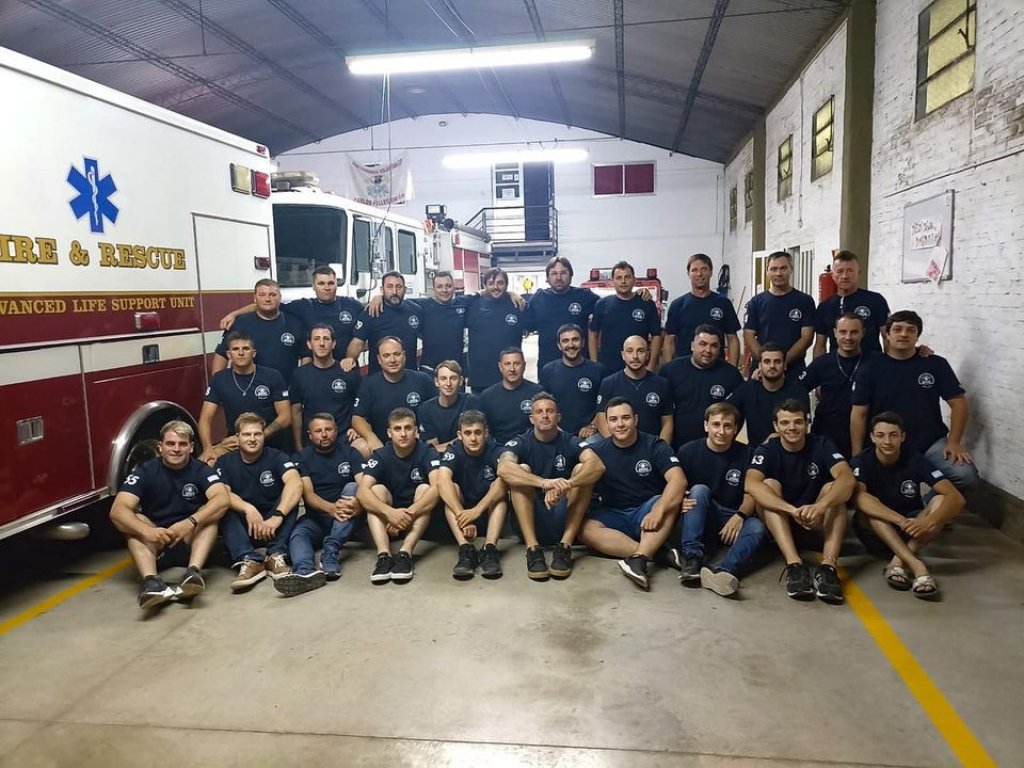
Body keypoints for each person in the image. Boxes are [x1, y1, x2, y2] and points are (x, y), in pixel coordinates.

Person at [850, 310, 978, 490]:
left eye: (911, 330)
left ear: (918, 336)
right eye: (898, 329)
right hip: (887, 444)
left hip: (930, 442)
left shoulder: (935, 364)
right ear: (887, 334)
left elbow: (959, 403)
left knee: (966, 476)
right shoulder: (870, 368)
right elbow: (859, 413)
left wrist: (954, 442)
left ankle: (927, 509)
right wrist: (857, 454)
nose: (903, 334)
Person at [109, 420, 229, 608]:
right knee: (135, 520)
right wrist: (148, 532)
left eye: (182, 444)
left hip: (190, 538)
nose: (176, 449)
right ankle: (152, 582)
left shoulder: (201, 469)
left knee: (209, 516)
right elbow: (117, 510)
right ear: (160, 446)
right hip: (156, 541)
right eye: (170, 444)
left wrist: (189, 522)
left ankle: (192, 573)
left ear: (191, 447)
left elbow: (222, 498)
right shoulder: (145, 471)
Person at [745, 399, 854, 603]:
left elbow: (847, 479)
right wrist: (790, 510)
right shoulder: (768, 450)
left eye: (797, 422)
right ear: (776, 426)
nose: (792, 427)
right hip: (782, 524)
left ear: (807, 423)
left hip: (816, 522)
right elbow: (751, 484)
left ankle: (828, 567)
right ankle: (795, 565)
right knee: (768, 485)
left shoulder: (822, 444)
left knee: (834, 490)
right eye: (785, 423)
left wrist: (821, 506)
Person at [851, 412, 965, 599]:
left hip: (912, 530)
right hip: (877, 531)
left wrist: (930, 521)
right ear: (872, 437)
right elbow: (859, 498)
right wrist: (899, 520)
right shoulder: (862, 460)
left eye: (893, 435)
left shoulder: (915, 458)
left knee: (940, 501)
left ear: (902, 436)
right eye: (880, 435)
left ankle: (897, 562)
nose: (887, 441)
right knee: (870, 507)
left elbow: (956, 497)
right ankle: (917, 566)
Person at [497, 393, 604, 580]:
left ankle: (565, 547)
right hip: (532, 516)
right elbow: (503, 468)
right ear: (532, 418)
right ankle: (533, 550)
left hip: (563, 514)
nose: (545, 415)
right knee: (520, 469)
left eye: (550, 411)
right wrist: (544, 483)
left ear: (558, 417)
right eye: (539, 412)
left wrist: (566, 485)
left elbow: (597, 466)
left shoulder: (570, 440)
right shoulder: (521, 441)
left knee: (583, 469)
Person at [582, 397, 685, 590]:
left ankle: (638, 560)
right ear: (606, 423)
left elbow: (678, 480)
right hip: (614, 512)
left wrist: (658, 511)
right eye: (613, 419)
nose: (620, 424)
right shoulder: (596, 451)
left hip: (647, 510)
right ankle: (655, 554)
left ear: (635, 419)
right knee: (585, 529)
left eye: (625, 418)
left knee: (669, 499)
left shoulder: (654, 444)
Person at [674, 403, 768, 596]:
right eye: (716, 424)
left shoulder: (748, 454)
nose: (721, 431)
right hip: (700, 513)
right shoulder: (687, 451)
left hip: (731, 515)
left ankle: (724, 572)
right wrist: (678, 502)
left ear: (735, 429)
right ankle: (691, 558)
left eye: (727, 426)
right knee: (699, 490)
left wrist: (740, 515)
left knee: (758, 527)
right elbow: (675, 486)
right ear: (706, 426)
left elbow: (753, 491)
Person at [274, 413, 366, 595]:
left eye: (328, 429)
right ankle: (305, 571)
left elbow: (364, 486)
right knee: (298, 534)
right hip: (319, 516)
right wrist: (331, 509)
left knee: (352, 487)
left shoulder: (350, 452)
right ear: (310, 435)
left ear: (336, 431)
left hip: (348, 517)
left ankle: (331, 550)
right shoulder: (302, 457)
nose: (324, 434)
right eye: (318, 431)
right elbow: (308, 496)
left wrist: (358, 502)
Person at [215, 413, 301, 591]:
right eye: (247, 434)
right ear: (237, 437)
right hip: (245, 525)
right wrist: (248, 509)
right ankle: (249, 560)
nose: (252, 439)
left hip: (273, 526)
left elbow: (295, 482)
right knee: (222, 505)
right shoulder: (224, 462)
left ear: (264, 435)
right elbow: (221, 493)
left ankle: (275, 556)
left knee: (290, 497)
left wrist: (277, 516)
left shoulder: (277, 456)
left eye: (257, 434)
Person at [356, 408, 442, 584]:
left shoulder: (427, 451)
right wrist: (389, 513)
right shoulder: (381, 455)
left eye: (408, 428)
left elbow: (438, 487)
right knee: (375, 491)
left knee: (425, 488)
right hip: (390, 518)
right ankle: (384, 556)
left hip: (419, 516)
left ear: (416, 431)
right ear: (389, 433)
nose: (403, 434)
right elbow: (362, 492)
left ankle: (405, 553)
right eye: (397, 429)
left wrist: (407, 514)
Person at [219, 267, 363, 369]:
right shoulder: (303, 306)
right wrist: (235, 314)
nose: (326, 287)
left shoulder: (352, 306)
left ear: (336, 285)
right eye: (321, 283)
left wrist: (378, 299)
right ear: (313, 286)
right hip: (316, 371)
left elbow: (370, 318)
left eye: (330, 283)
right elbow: (268, 305)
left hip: (345, 369)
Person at [198, 331, 291, 464]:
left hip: (269, 441)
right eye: (236, 349)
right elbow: (205, 419)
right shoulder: (219, 379)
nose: (241, 353)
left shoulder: (272, 376)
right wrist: (207, 448)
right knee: (205, 462)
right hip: (235, 442)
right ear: (229, 355)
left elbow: (286, 417)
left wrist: (257, 436)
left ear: (254, 353)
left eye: (246, 349)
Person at [436, 411, 508, 579]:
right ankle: (465, 549)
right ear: (460, 435)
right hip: (460, 516)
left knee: (501, 485)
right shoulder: (453, 450)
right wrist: (462, 515)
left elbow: (506, 478)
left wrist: (477, 511)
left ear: (486, 433)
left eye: (478, 432)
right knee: (449, 487)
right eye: (468, 433)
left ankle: (489, 550)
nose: (473, 438)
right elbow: (442, 480)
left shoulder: (496, 449)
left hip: (486, 512)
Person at [798, 313, 871, 458]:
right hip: (827, 436)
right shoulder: (822, 363)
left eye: (854, 332)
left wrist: (920, 352)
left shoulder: (875, 362)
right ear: (835, 333)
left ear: (863, 333)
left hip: (866, 437)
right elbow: (795, 389)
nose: (848, 337)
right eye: (843, 332)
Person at [288, 323, 367, 457]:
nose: (322, 343)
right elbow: (296, 413)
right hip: (315, 438)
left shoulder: (347, 372)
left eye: (326, 339)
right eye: (317, 339)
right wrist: (298, 445)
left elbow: (362, 405)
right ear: (309, 344)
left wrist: (357, 428)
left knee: (364, 448)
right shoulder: (299, 375)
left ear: (334, 343)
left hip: (344, 436)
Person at [659, 324, 743, 448]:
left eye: (714, 346)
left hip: (714, 448)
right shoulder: (670, 371)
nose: (708, 350)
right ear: (693, 345)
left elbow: (739, 413)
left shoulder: (732, 376)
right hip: (674, 445)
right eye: (702, 344)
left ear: (720, 349)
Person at [350, 337, 437, 449]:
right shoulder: (369, 385)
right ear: (379, 359)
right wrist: (371, 438)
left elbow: (437, 411)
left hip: (419, 445)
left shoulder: (423, 380)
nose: (392, 360)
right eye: (386, 355)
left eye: (397, 354)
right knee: (360, 447)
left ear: (404, 355)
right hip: (382, 447)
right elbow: (357, 418)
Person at [211, 278, 302, 383]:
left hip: (286, 388)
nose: (267, 299)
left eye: (273, 294)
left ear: (280, 297)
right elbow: (221, 354)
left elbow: (305, 356)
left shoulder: (295, 323)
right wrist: (217, 384)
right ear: (255, 298)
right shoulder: (239, 323)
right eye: (262, 295)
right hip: (248, 389)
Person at [743, 251, 815, 376]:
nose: (778, 273)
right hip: (761, 370)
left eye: (783, 268)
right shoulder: (756, 302)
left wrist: (783, 361)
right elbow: (748, 335)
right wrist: (765, 361)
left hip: (793, 369)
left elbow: (807, 337)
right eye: (774, 269)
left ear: (791, 269)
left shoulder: (805, 301)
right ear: (767, 271)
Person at [524, 256, 600, 375]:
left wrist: (637, 293)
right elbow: (520, 321)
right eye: (554, 273)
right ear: (547, 278)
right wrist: (511, 294)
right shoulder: (538, 299)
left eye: (563, 273)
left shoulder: (585, 297)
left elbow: (612, 306)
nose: (559, 278)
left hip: (581, 368)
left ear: (571, 276)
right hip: (548, 369)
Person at [662, 254, 741, 366]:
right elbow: (669, 340)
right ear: (688, 274)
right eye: (694, 270)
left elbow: (732, 339)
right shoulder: (677, 305)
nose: (699, 274)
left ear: (711, 272)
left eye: (704, 269)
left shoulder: (724, 304)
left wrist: (732, 369)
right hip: (684, 368)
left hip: (716, 367)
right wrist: (670, 369)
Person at [594, 335, 673, 444]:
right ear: (623, 355)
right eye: (630, 351)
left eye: (640, 351)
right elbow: (601, 419)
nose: (635, 356)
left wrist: (660, 449)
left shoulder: (662, 384)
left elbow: (667, 422)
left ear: (647, 355)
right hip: (618, 446)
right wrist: (615, 447)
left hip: (651, 448)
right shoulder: (608, 383)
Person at [726, 343, 809, 446]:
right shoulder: (747, 389)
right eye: (767, 361)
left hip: (790, 450)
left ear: (785, 365)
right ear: (760, 365)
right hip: (755, 453)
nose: (772, 366)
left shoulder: (798, 391)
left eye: (777, 361)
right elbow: (724, 413)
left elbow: (803, 428)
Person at [589, 261, 662, 374]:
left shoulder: (646, 304)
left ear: (634, 280)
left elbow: (656, 336)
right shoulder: (602, 305)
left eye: (627, 277)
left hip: (638, 368)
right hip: (607, 369)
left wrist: (652, 365)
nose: (623, 281)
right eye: (619, 278)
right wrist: (594, 363)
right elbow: (593, 334)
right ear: (612, 281)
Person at [813, 250, 890, 357]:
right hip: (837, 367)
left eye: (850, 271)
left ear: (858, 274)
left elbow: (888, 338)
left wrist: (889, 367)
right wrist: (817, 371)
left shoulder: (875, 300)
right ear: (833, 275)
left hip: (872, 366)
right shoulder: (825, 307)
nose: (845, 276)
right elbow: (820, 346)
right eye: (840, 271)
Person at [347, 271, 423, 375]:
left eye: (399, 287)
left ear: (405, 289)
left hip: (409, 376)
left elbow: (428, 337)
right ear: (382, 289)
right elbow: (357, 343)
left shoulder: (416, 310)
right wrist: (349, 360)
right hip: (378, 378)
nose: (394, 291)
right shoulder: (371, 311)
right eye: (390, 287)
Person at [465, 268, 527, 392]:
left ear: (506, 285)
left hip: (511, 377)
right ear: (484, 286)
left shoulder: (518, 305)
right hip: (481, 378)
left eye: (500, 283)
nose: (496, 287)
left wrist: (512, 294)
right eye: (491, 283)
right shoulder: (472, 306)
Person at [539, 323, 606, 438]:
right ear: (559, 345)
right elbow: (543, 403)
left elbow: (604, 405)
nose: (570, 345)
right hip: (558, 432)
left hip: (590, 434)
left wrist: (592, 426)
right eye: (565, 341)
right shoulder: (548, 370)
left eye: (575, 340)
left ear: (583, 342)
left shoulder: (598, 370)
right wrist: (554, 426)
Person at [478, 347, 543, 444]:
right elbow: (483, 430)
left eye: (516, 364)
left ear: (524, 366)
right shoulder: (487, 396)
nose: (512, 369)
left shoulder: (538, 393)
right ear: (500, 366)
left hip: (530, 449)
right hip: (498, 449)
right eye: (507, 364)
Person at [418, 360, 480, 451]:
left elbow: (473, 439)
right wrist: (460, 439)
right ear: (436, 382)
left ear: (461, 381)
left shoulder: (470, 402)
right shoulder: (425, 409)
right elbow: (433, 448)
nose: (448, 384)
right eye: (443, 378)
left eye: (453, 378)